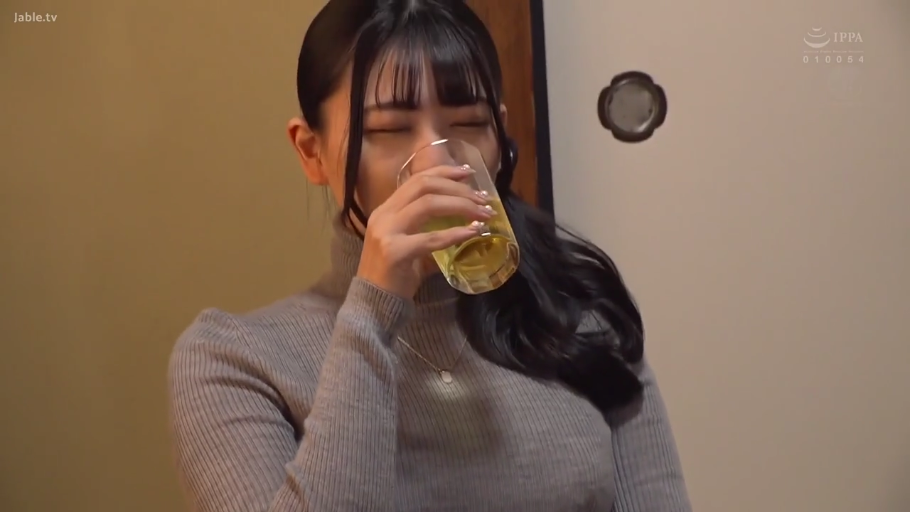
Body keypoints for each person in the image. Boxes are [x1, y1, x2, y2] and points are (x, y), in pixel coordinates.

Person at [167, 0, 692, 510]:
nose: (437, 166)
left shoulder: (576, 318)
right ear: (311, 151)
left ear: (499, 137)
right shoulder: (235, 359)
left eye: (469, 124)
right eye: (389, 131)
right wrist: (374, 308)